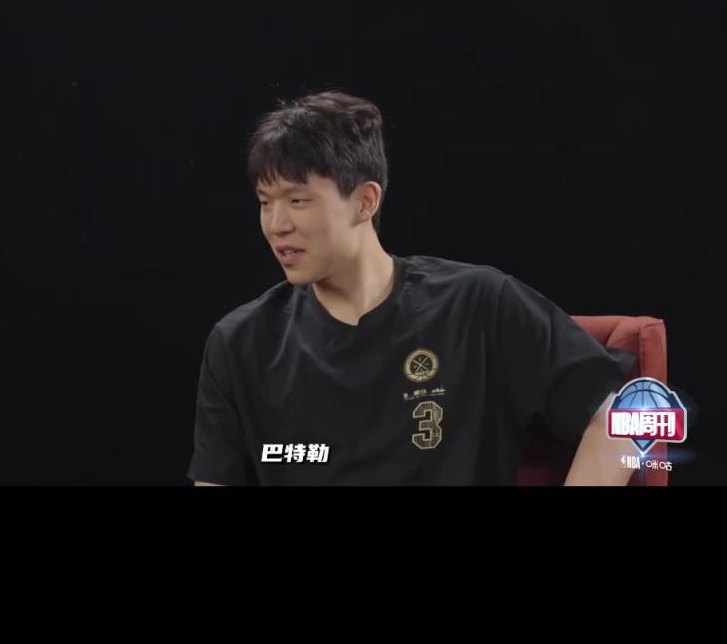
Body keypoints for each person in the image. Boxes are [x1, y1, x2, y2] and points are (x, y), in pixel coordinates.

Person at [188, 90, 638, 486]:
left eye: (297, 200)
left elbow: (627, 417)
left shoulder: (477, 304)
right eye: (265, 202)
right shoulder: (240, 342)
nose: (276, 224)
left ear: (365, 201)